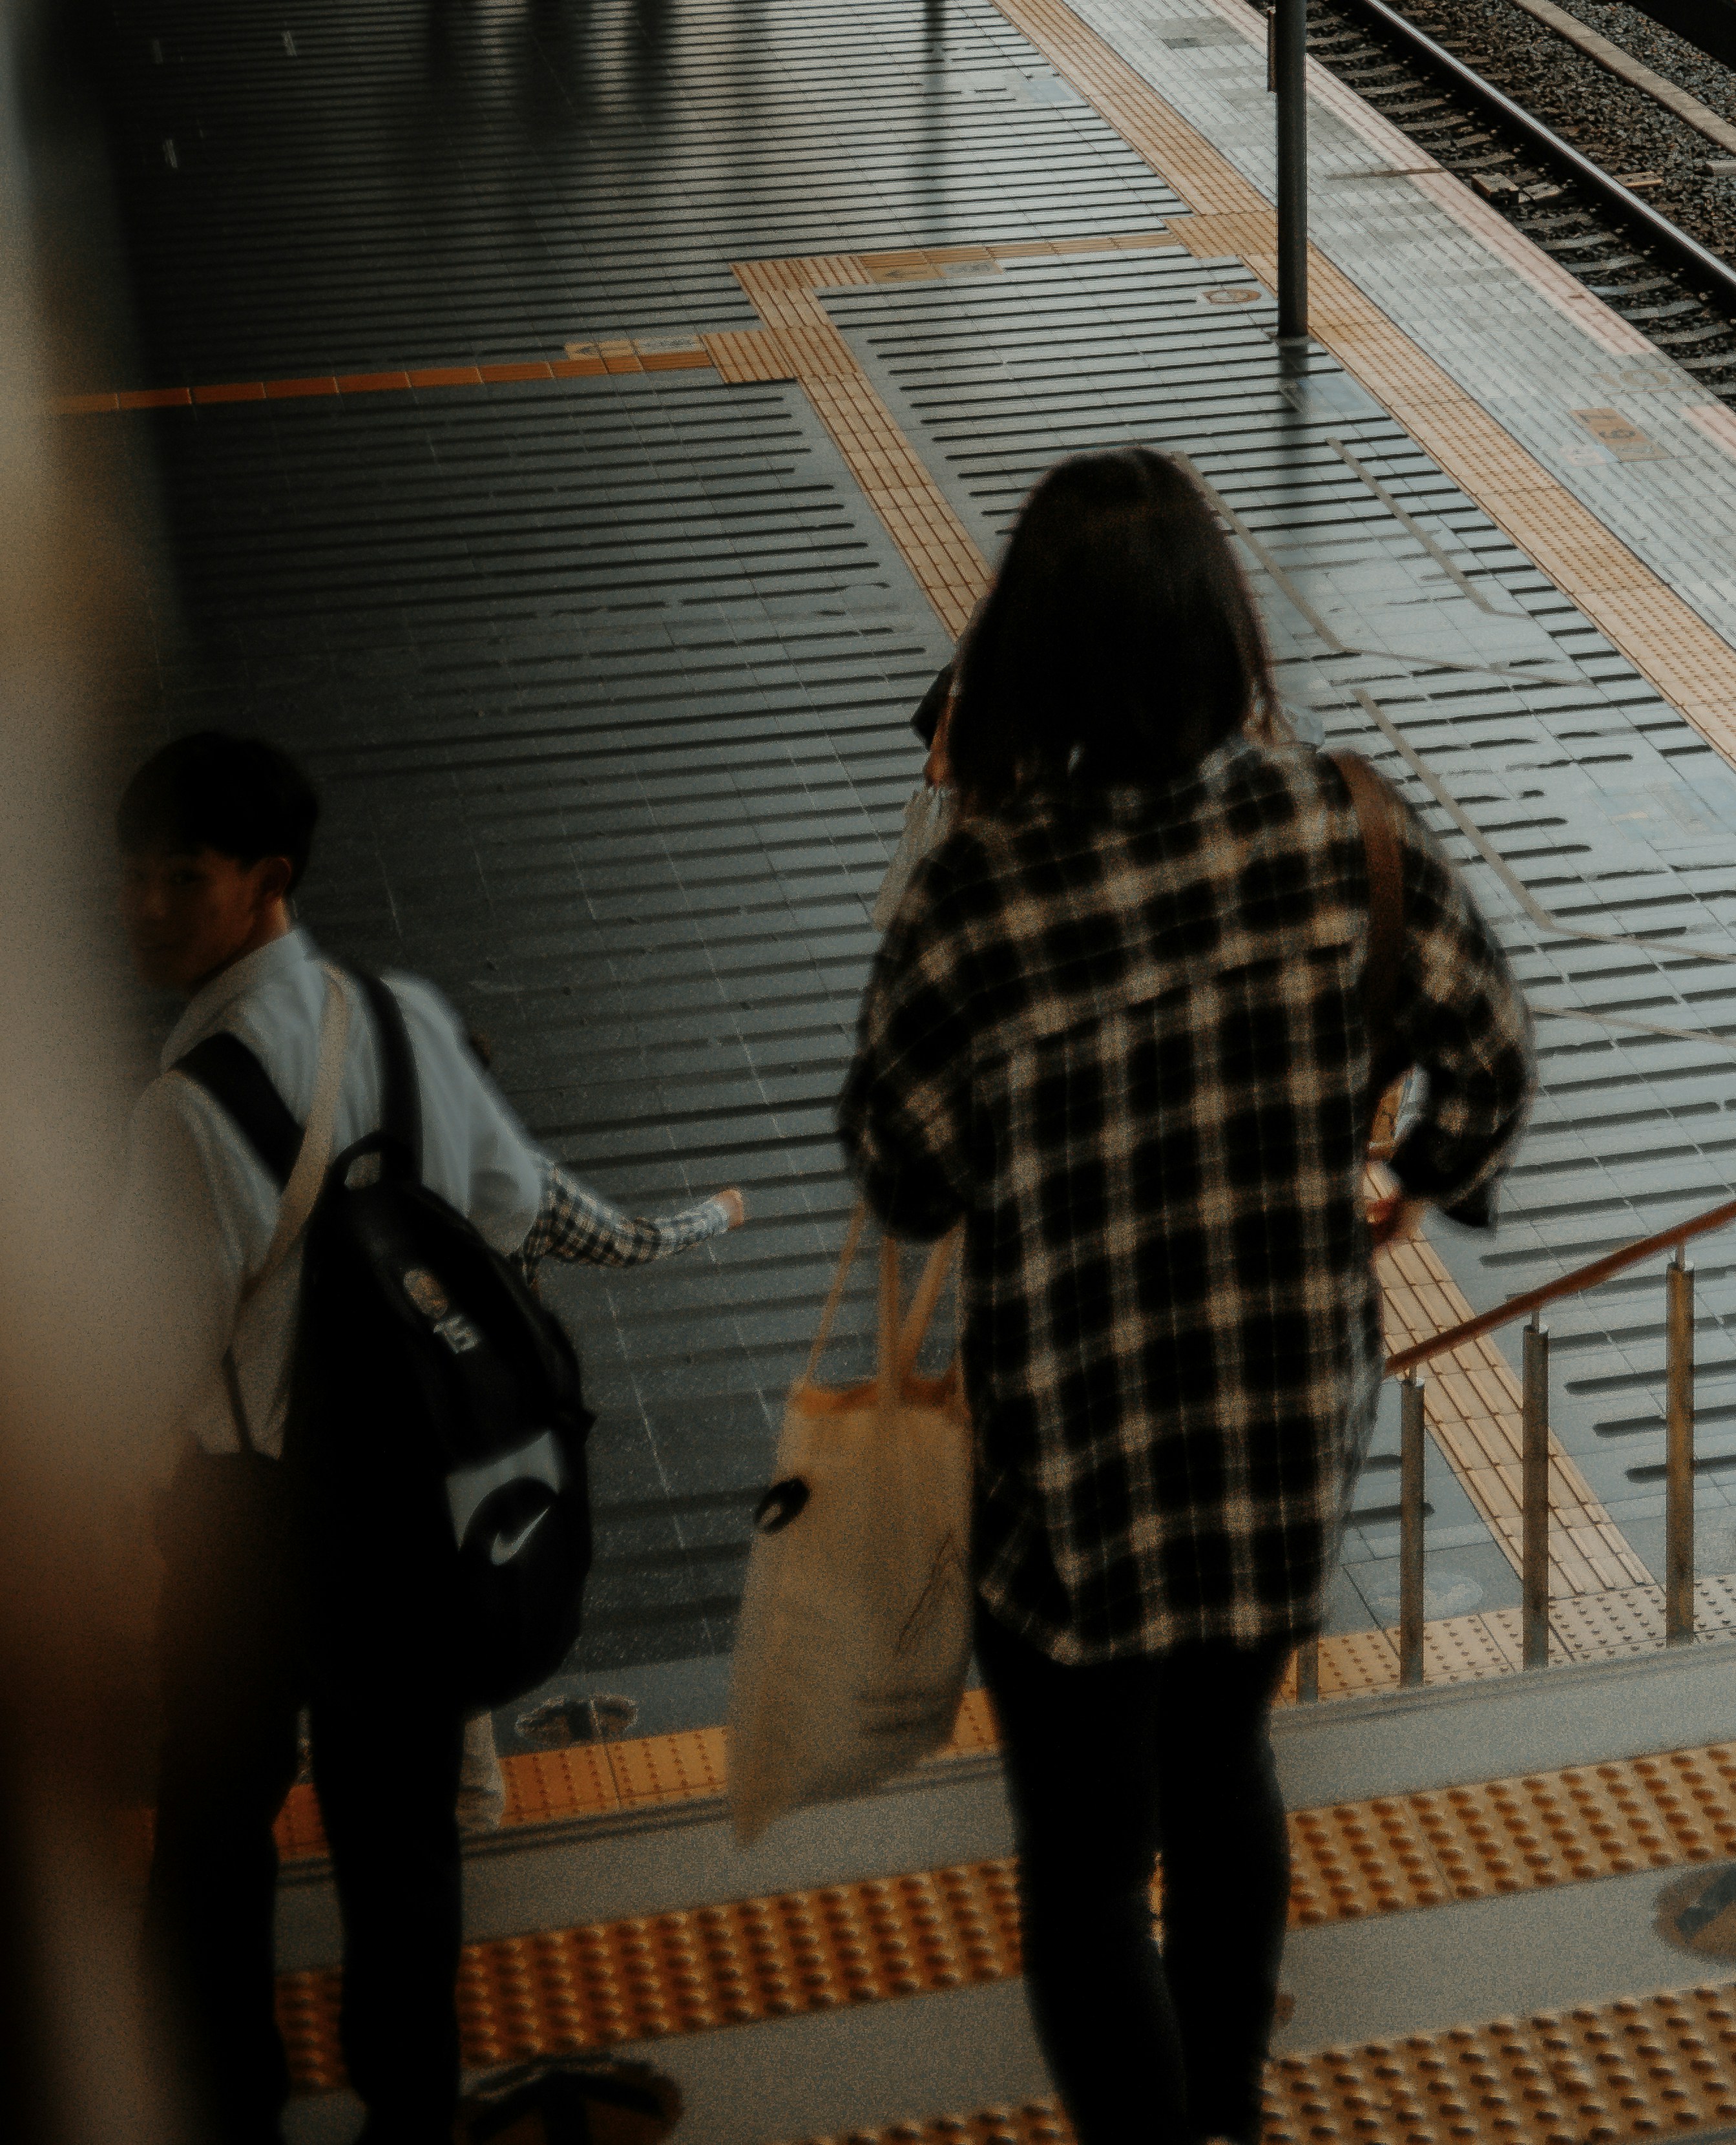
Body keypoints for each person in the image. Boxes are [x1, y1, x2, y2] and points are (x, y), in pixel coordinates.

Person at [840, 454, 1532, 2145]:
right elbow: (1487, 1064)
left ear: (1035, 663)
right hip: (1278, 1438)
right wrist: (1393, 1193)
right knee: (1225, 1771)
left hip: (1069, 1472)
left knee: (1084, 1868)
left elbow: (906, 1176)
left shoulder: (980, 894)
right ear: (1226, 633)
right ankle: (1228, 2114)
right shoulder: (1341, 829)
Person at [118, 727, 743, 2145]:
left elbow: (140, 1367)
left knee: (212, 1831)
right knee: (398, 1845)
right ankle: (410, 2117)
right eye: (134, 878)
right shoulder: (403, 1020)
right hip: (407, 1506)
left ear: (266, 881)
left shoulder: (185, 1112)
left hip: (244, 1520)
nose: (143, 908)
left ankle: (225, 2106)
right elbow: (513, 1205)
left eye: (178, 880)